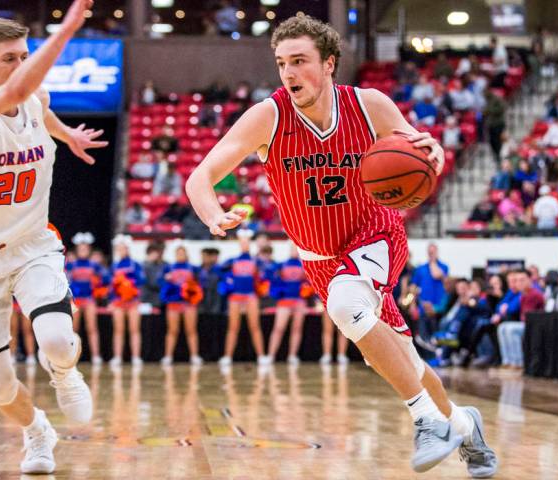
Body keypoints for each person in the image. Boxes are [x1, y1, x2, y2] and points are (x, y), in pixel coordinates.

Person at [185, 15, 496, 475]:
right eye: (281, 63)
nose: (289, 73)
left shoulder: (369, 104)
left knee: (347, 307)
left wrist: (435, 152)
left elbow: (421, 154)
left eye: (300, 62)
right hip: (320, 259)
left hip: (376, 235)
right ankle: (463, 424)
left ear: (329, 64)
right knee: (399, 358)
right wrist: (212, 213)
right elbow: (200, 178)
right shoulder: (268, 116)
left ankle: (427, 421)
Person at [0, 2, 100, 473]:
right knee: (1, 389)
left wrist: (67, 134)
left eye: (24, 55)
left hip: (31, 245)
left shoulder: (36, 98)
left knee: (54, 339)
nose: (21, 65)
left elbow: (37, 102)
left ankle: (65, 372)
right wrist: (68, 30)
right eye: (10, 58)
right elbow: (20, 89)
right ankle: (37, 431)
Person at [217, 229, 270, 367]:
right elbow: (219, 271)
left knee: (255, 326)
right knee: (233, 327)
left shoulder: (256, 261)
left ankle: (261, 356)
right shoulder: (232, 260)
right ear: (239, 244)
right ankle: (227, 356)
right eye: (242, 242)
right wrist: (227, 281)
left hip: (251, 296)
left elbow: (266, 272)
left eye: (247, 242)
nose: (244, 245)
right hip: (235, 297)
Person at [65, 232, 106, 366]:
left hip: (89, 300)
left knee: (92, 328)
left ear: (89, 250)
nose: (83, 250)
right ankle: (71, 357)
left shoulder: (94, 265)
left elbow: (106, 279)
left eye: (85, 248)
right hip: (75, 301)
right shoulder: (71, 264)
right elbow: (65, 281)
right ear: (76, 250)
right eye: (80, 248)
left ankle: (96, 356)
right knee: (73, 329)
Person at [159, 245, 203, 366]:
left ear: (186, 254)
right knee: (172, 330)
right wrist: (166, 279)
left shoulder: (193, 268)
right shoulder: (169, 268)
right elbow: (161, 283)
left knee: (191, 330)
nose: (180, 255)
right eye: (178, 253)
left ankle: (194, 356)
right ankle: (168, 356)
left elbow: (199, 284)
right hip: (174, 303)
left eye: (182, 253)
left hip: (188, 303)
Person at [266, 244, 308, 365]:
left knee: (297, 329)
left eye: (296, 248)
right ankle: (271, 355)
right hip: (284, 301)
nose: (294, 250)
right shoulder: (281, 265)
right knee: (278, 328)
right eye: (292, 247)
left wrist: (306, 291)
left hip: (299, 301)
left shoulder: (304, 264)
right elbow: (273, 281)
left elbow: (308, 282)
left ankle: (292, 355)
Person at [108, 235, 144, 369]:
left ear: (128, 249)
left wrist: (128, 283)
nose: (121, 251)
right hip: (118, 302)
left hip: (133, 301)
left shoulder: (135, 264)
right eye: (119, 249)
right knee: (118, 330)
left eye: (123, 248)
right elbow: (111, 286)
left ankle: (136, 357)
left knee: (134, 329)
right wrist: (112, 300)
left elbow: (141, 281)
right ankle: (117, 357)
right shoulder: (114, 266)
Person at [497, 270, 544, 370]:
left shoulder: (534, 294)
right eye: (517, 281)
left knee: (510, 329)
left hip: (535, 326)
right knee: (502, 327)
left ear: (530, 280)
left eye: (522, 280)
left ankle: (518, 362)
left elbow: (529, 316)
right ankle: (508, 361)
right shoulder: (523, 295)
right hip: (525, 323)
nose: (519, 283)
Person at [9, 300, 36, 364]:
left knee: (27, 329)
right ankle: (12, 355)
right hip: (12, 301)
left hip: (26, 300)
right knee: (13, 329)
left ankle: (31, 356)